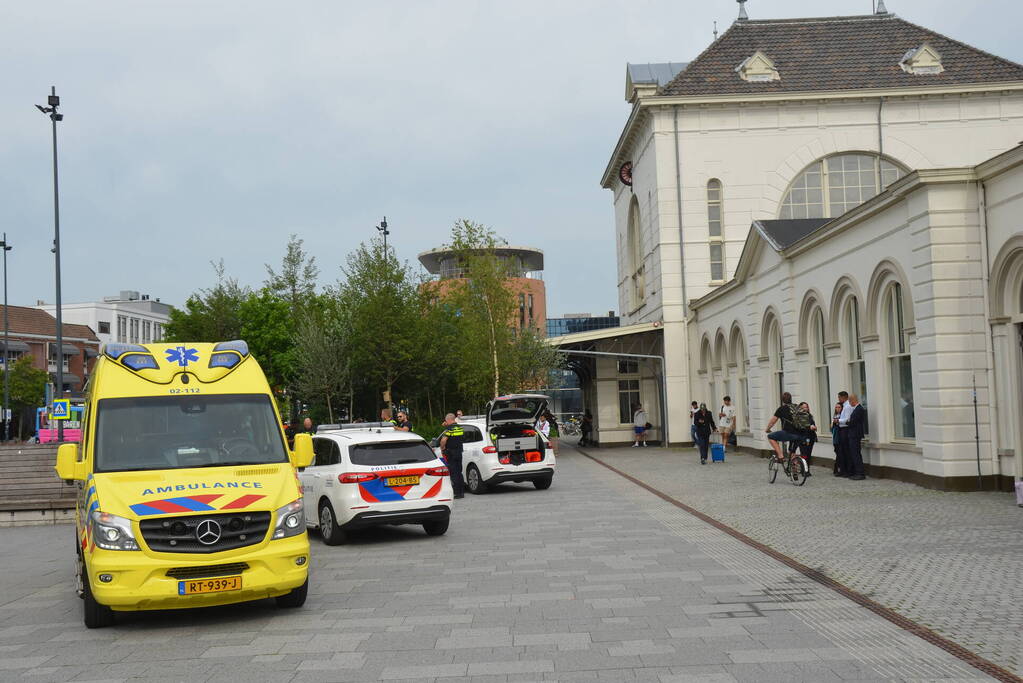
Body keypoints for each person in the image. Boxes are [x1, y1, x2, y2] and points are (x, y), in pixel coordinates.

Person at [765, 392, 801, 462]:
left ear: (782, 400)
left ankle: (781, 456)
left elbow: (773, 421)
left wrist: (767, 429)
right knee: (792, 452)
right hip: (799, 434)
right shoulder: (797, 407)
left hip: (788, 433)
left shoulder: (781, 409)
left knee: (770, 436)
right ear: (791, 399)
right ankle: (795, 470)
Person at [438, 413, 466, 498]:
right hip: (459, 453)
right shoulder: (460, 428)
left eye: (446, 421)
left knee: (454, 473)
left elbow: (443, 440)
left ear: (448, 420)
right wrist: (446, 426)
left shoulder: (449, 430)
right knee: (459, 472)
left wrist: (442, 449)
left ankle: (457, 493)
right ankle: (462, 492)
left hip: (451, 453)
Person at [844, 394, 867, 480]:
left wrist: (847, 422)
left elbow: (852, 422)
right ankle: (858, 472)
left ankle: (860, 473)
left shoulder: (859, 409)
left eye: (849, 402)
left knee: (856, 454)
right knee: (855, 454)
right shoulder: (857, 409)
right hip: (854, 434)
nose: (849, 404)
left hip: (855, 435)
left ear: (852, 400)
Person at [791, 402, 817, 475]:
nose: (805, 409)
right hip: (802, 437)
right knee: (804, 454)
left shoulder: (810, 416)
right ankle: (804, 471)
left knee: (808, 454)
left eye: (806, 407)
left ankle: (807, 470)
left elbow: (813, 424)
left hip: (810, 437)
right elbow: (799, 427)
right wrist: (809, 427)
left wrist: (814, 427)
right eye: (803, 407)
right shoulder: (798, 416)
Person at [835, 391, 852, 476]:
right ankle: (843, 470)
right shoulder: (845, 406)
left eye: (839, 397)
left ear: (843, 397)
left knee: (846, 451)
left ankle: (848, 471)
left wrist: (838, 420)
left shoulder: (847, 406)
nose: (838, 399)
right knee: (842, 451)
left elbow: (847, 419)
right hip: (842, 430)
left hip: (845, 430)